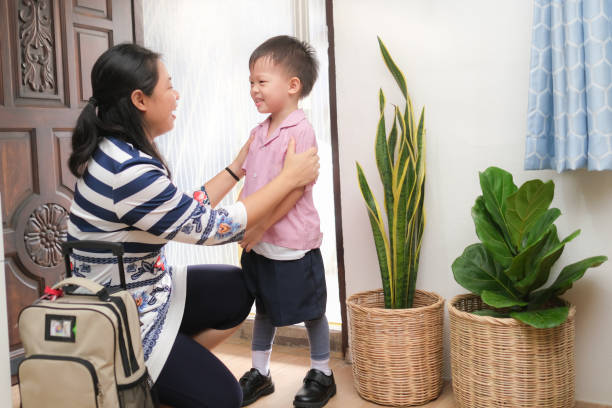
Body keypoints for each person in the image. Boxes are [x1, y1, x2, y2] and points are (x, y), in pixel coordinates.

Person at [66, 42, 319, 408]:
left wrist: (236, 168)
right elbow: (211, 228)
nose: (176, 94)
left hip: (147, 291)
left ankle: (170, 365)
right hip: (123, 321)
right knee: (224, 398)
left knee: (237, 287)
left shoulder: (117, 151)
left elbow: (183, 210)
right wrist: (289, 178)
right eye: (169, 86)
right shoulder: (128, 171)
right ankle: (136, 377)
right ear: (140, 99)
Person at [237, 35, 336, 408]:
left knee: (311, 311)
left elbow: (295, 189)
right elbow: (250, 181)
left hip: (292, 244)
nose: (254, 90)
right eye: (251, 82)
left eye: (261, 82)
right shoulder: (258, 132)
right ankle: (260, 372)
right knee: (263, 308)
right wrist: (244, 224)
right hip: (260, 243)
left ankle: (322, 373)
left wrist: (262, 226)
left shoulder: (300, 130)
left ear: (293, 86)